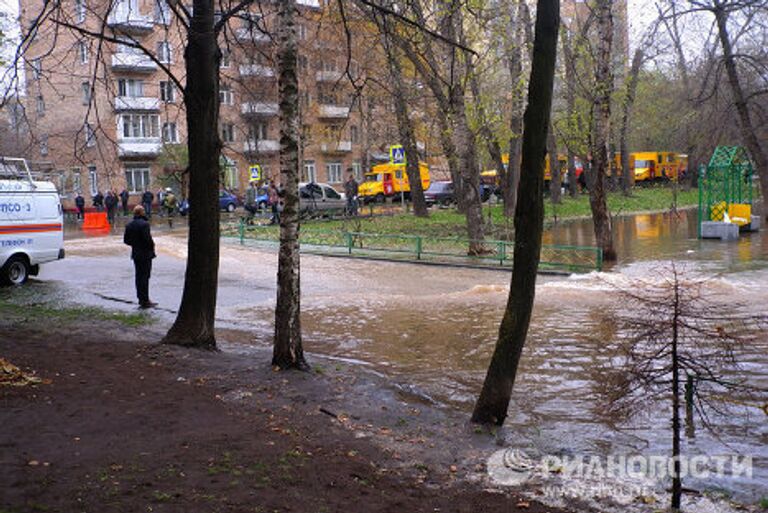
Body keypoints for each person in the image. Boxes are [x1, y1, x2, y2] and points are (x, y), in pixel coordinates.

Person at [123, 205, 157, 309]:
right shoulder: (144, 224)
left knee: (138, 277)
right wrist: (151, 247)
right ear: (142, 212)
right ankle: (145, 300)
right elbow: (148, 240)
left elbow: (126, 240)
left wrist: (135, 244)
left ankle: (141, 298)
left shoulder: (129, 225)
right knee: (145, 277)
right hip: (145, 254)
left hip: (136, 254)